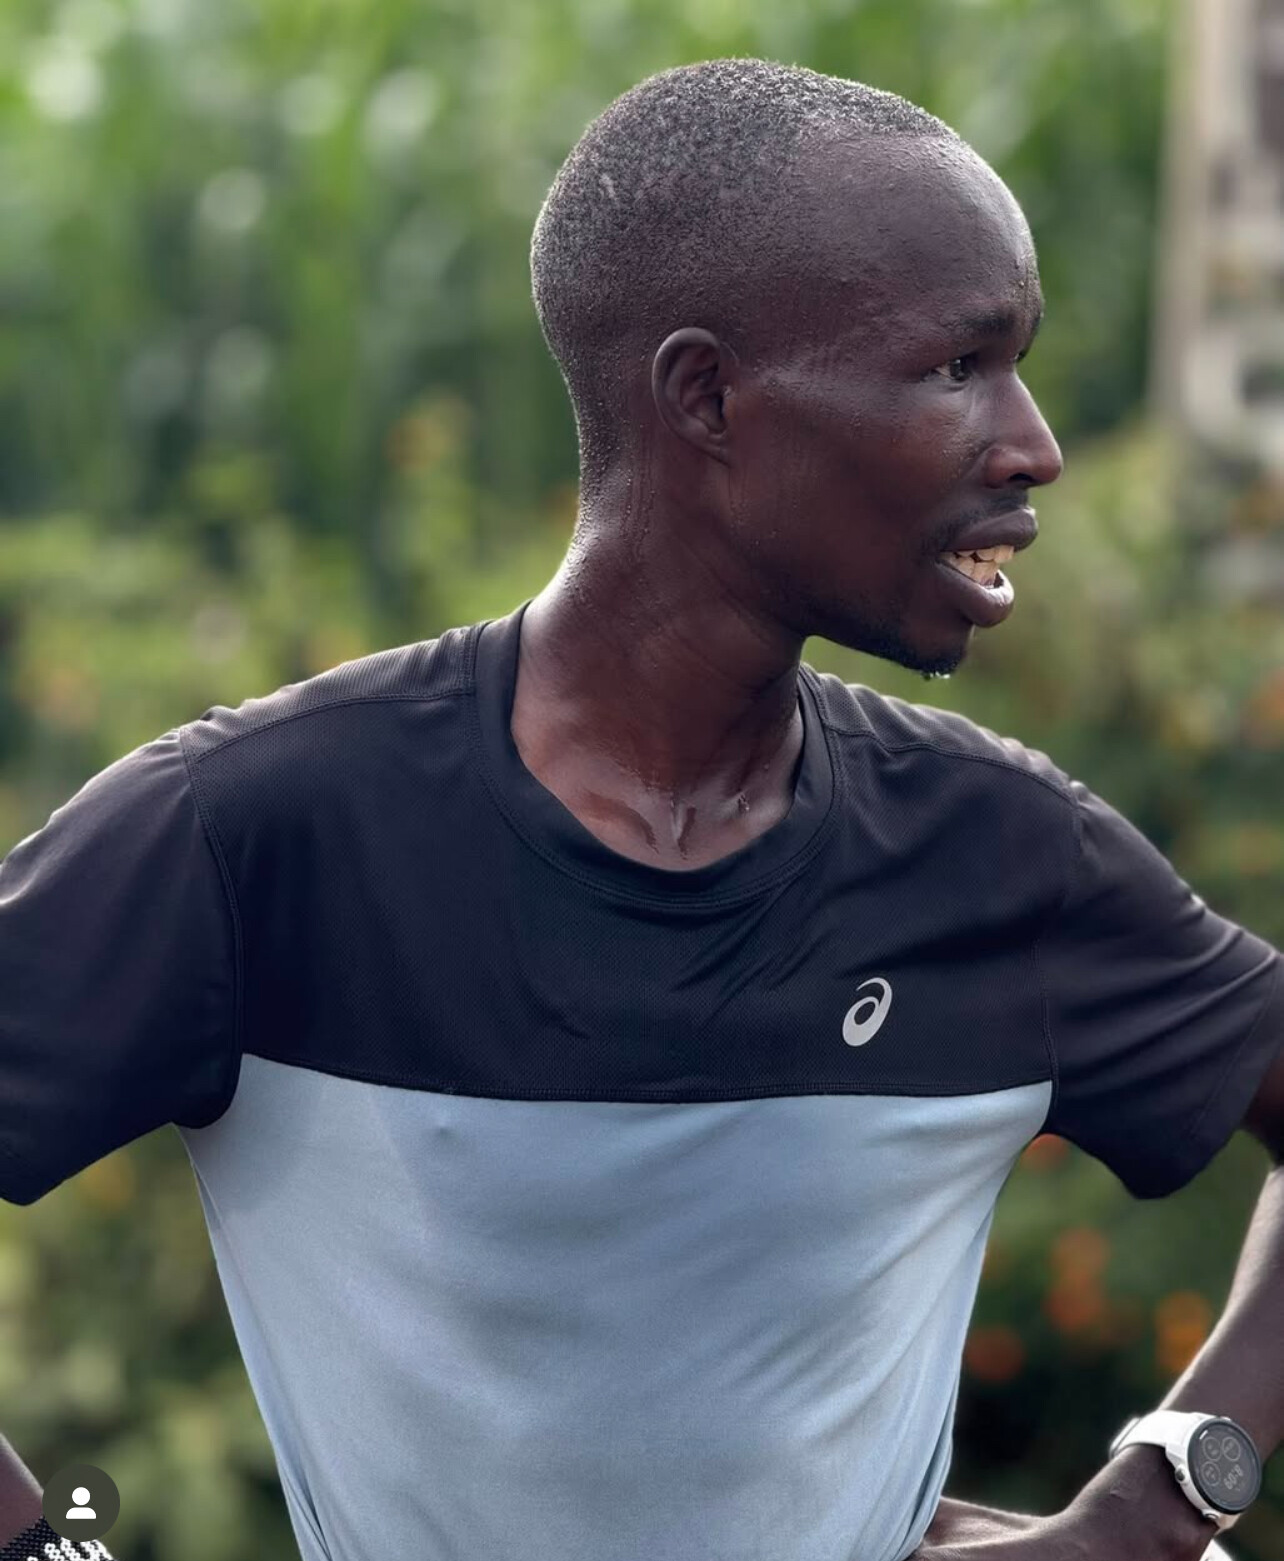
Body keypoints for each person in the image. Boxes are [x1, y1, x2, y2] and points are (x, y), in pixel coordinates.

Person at [1, 57, 1282, 1561]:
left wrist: (1162, 1502)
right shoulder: (261, 837)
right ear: (706, 399)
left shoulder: (1003, 853)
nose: (1033, 442)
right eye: (958, 366)